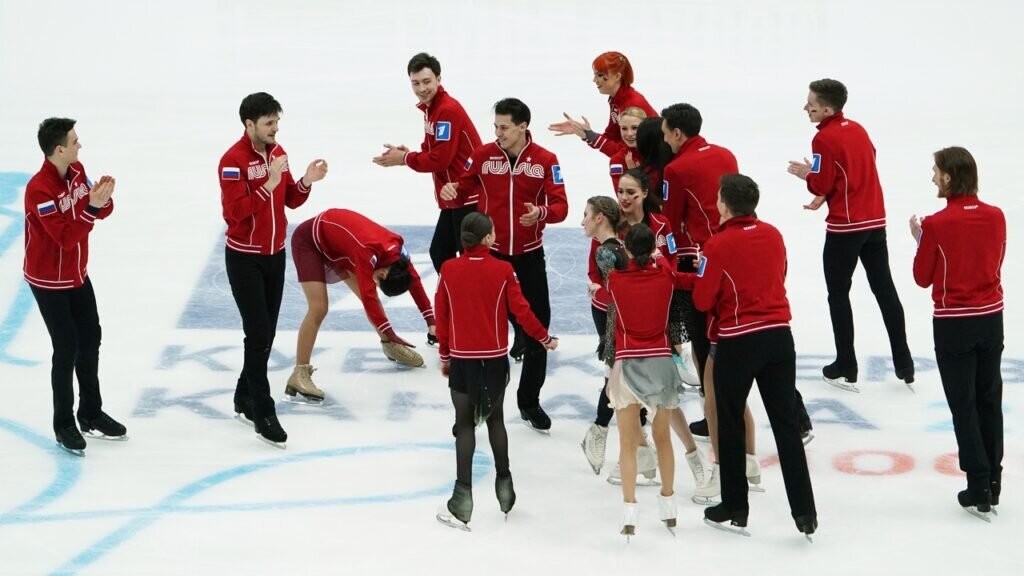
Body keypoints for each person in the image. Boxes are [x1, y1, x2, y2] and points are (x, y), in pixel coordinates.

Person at [691, 174, 816, 539]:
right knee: (786, 428)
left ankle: (735, 507)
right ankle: (805, 514)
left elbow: (701, 301)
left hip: (738, 342)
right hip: (779, 338)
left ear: (725, 205)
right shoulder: (774, 234)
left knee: (729, 423)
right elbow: (779, 275)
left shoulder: (716, 245)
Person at [440, 98, 568, 432]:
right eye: (495, 126)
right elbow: (464, 185)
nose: (497, 133)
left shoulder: (545, 161)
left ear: (523, 126)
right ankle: (475, 404)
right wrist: (454, 188)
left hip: (529, 256)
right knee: (484, 333)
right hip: (491, 257)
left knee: (538, 328)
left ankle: (529, 402)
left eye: (504, 127)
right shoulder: (483, 155)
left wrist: (541, 213)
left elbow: (561, 205)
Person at [787, 78, 913, 392]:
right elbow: (859, 166)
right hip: (874, 220)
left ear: (827, 108)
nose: (806, 107)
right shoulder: (857, 129)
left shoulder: (824, 140)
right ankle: (904, 361)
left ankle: (846, 363)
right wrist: (826, 190)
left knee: (838, 293)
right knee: (884, 288)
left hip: (846, 226)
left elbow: (821, 181)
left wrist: (809, 177)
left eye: (811, 103)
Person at [434, 213, 558, 531]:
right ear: (488, 238)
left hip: (462, 359)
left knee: (464, 425)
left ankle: (462, 500)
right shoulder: (504, 270)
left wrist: (445, 354)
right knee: (496, 420)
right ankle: (504, 487)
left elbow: (442, 314)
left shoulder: (448, 269)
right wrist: (542, 337)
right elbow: (521, 310)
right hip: (494, 359)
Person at [218, 92, 328, 447]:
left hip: (275, 255)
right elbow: (234, 213)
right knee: (258, 333)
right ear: (249, 125)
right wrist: (267, 185)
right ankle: (263, 410)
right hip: (244, 259)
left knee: (265, 334)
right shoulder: (232, 161)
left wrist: (306, 181)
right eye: (268, 123)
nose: (275, 129)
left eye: (276, 122)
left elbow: (291, 199)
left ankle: (243, 394)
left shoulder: (278, 154)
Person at [910, 147, 1005, 519]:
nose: (933, 178)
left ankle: (978, 482)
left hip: (954, 322)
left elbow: (922, 278)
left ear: (949, 177)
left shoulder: (936, 223)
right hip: (990, 317)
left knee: (963, 404)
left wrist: (920, 238)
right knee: (988, 400)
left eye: (936, 172)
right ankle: (993, 480)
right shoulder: (996, 217)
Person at [24, 117, 125, 455]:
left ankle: (91, 413)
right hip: (48, 281)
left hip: (76, 274)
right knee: (66, 346)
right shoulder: (39, 190)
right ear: (59, 149)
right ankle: (63, 423)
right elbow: (65, 237)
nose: (80, 146)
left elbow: (96, 210)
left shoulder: (78, 171)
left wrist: (102, 200)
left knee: (91, 338)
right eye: (75, 141)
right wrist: (93, 208)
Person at [287, 208, 437, 402]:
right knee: (319, 307)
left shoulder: (398, 251)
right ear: (383, 274)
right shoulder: (366, 251)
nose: (374, 281)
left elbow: (414, 280)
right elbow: (368, 296)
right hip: (309, 242)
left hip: (338, 242)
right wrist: (392, 332)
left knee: (371, 298)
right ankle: (299, 373)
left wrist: (431, 321)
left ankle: (388, 345)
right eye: (378, 280)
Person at [606, 223, 685, 538]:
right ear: (652, 248)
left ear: (626, 250)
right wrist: (657, 256)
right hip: (660, 362)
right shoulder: (666, 277)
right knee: (663, 437)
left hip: (627, 363)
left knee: (627, 443)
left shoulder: (615, 281)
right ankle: (668, 507)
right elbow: (667, 263)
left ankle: (629, 512)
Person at [372, 52, 483, 274]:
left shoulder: (447, 110)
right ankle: (455, 298)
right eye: (415, 83)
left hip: (469, 195)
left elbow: (441, 159)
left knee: (464, 257)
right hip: (454, 195)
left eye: (426, 81)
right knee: (441, 252)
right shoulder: (432, 109)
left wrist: (404, 159)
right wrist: (408, 155)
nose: (421, 88)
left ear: (439, 79)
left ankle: (465, 301)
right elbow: (432, 148)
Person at [548, 51, 657, 157]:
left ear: (617, 77)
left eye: (600, 75)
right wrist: (585, 133)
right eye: (595, 75)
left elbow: (625, 153)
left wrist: (590, 136)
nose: (594, 80)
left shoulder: (631, 104)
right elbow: (612, 137)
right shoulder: (617, 99)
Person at [607, 107, 647, 191]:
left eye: (634, 128)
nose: (629, 134)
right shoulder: (617, 161)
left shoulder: (659, 151)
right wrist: (634, 176)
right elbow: (624, 199)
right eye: (624, 128)